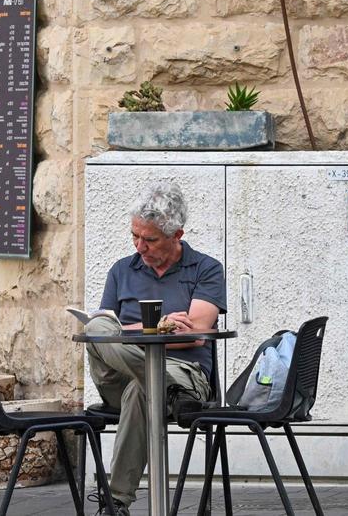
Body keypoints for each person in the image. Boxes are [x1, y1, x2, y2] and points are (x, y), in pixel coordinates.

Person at [85, 182, 226, 515]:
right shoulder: (122, 270)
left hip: (185, 375)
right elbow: (105, 329)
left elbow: (196, 333)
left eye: (149, 240)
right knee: (96, 328)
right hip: (120, 378)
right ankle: (164, 386)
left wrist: (127, 332)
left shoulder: (205, 268)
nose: (140, 247)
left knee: (142, 389)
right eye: (135, 236)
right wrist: (158, 326)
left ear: (177, 235)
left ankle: (115, 503)